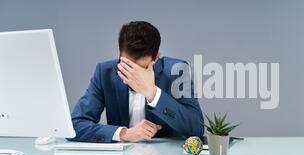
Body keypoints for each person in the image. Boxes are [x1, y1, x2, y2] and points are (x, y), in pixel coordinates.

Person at [69, 21, 204, 143]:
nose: (134, 75)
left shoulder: (176, 71)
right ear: (120, 54)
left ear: (156, 57)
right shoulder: (104, 73)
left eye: (141, 68)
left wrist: (152, 93)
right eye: (127, 66)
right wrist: (123, 134)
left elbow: (196, 129)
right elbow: (75, 126)